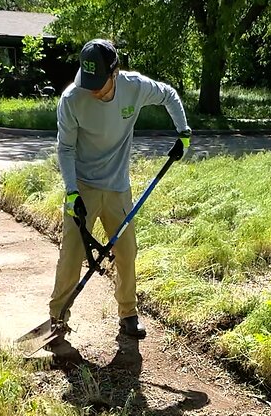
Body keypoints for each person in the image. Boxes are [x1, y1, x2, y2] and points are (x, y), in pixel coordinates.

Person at [48, 38, 191, 341]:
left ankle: (128, 314)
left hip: (117, 188)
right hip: (82, 187)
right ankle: (57, 319)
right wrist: (72, 191)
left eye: (100, 82)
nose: (94, 89)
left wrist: (183, 131)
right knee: (71, 254)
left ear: (115, 72)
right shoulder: (72, 99)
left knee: (127, 252)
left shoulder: (135, 87)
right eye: (89, 82)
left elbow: (169, 95)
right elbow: (65, 149)